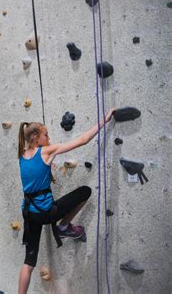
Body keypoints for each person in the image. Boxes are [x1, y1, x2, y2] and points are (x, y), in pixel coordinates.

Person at [17, 109, 115, 294]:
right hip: (46, 213)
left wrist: (46, 149)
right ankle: (64, 227)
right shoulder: (46, 151)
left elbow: (35, 166)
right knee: (84, 191)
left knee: (28, 263)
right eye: (46, 134)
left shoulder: (22, 154)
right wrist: (105, 118)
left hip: (29, 215)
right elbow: (82, 140)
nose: (49, 137)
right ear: (36, 137)